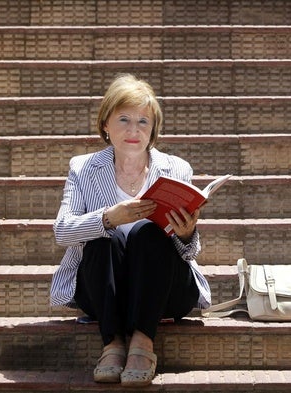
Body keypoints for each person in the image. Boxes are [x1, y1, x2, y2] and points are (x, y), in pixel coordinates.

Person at [49, 74, 212, 387]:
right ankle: (112, 343)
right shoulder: (83, 168)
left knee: (148, 233)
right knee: (101, 240)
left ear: (153, 130)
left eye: (143, 121)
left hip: (164, 290)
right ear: (106, 125)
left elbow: (189, 253)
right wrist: (109, 218)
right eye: (123, 119)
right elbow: (62, 231)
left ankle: (142, 343)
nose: (133, 130)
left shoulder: (177, 169)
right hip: (104, 291)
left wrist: (187, 233)